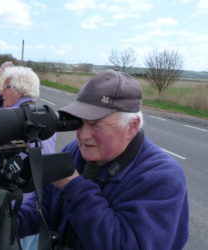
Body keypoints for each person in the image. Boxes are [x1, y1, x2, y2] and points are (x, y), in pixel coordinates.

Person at [17, 69, 189, 249]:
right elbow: (43, 207)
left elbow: (126, 245)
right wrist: (7, 222)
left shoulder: (161, 176)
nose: (82, 136)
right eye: (79, 123)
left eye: (96, 125)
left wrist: (74, 187)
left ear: (132, 126)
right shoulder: (75, 151)